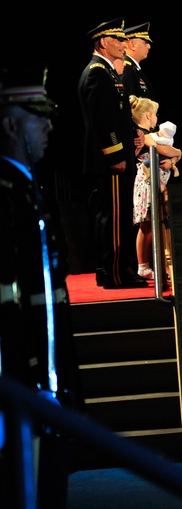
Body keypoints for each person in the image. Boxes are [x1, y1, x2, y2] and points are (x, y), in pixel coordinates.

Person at [1, 67, 81, 509]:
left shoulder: (27, 191)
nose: (49, 126)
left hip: (43, 386)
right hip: (21, 387)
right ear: (11, 126)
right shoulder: (6, 195)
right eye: (38, 118)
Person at [77, 18, 148, 288]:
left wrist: (134, 132)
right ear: (104, 42)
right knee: (115, 218)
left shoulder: (105, 71)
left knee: (119, 215)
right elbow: (102, 121)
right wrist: (116, 154)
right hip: (111, 159)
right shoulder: (97, 71)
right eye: (118, 40)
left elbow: (117, 114)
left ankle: (120, 267)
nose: (123, 44)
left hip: (118, 155)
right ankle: (115, 273)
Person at [129, 95, 182, 281]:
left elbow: (170, 154)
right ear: (149, 116)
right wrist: (177, 153)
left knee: (156, 223)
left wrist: (173, 159)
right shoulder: (140, 133)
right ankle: (143, 265)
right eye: (156, 114)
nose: (157, 118)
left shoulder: (153, 135)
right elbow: (164, 150)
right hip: (147, 181)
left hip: (158, 181)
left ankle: (159, 265)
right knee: (147, 224)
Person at [121, 22, 156, 101]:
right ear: (132, 44)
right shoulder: (126, 69)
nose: (149, 46)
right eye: (145, 42)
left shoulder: (133, 68)